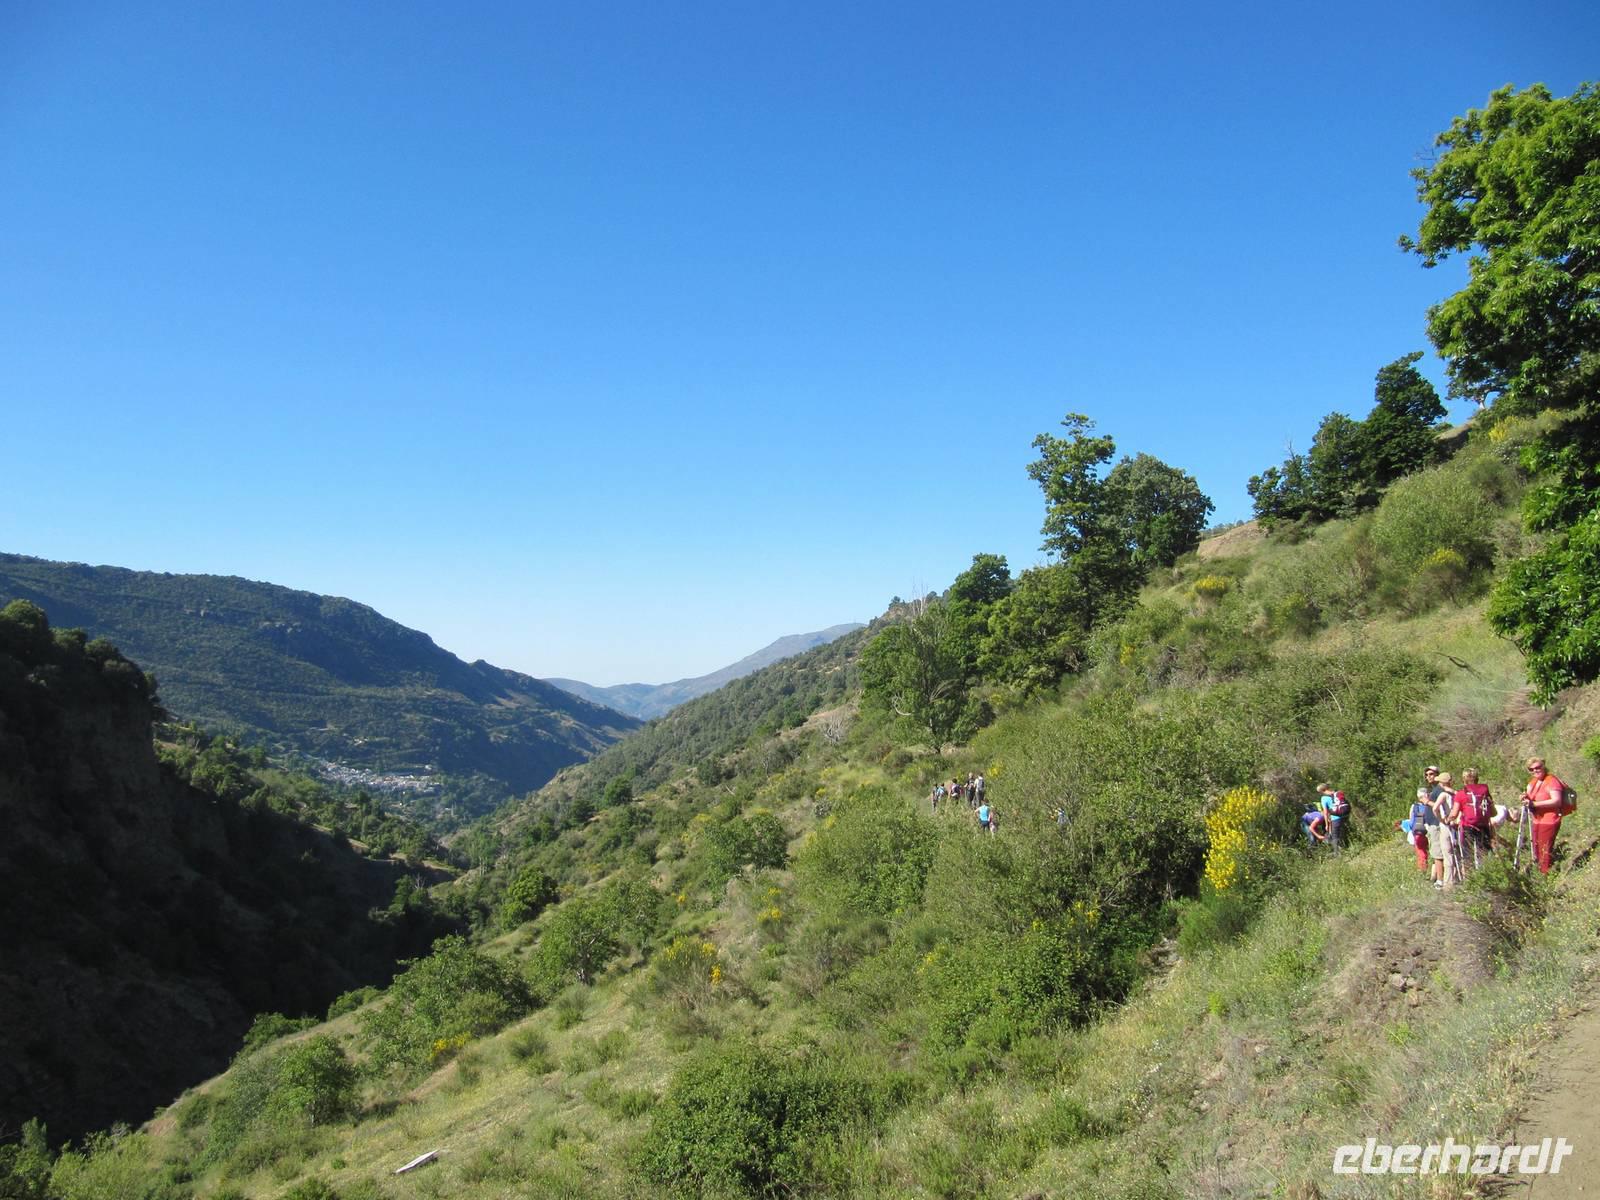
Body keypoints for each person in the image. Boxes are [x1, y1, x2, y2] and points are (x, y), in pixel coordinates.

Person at [1522, 758, 1570, 874]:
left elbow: (1556, 801)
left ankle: (1545, 876)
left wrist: (1534, 804)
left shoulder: (1552, 781)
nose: (1535, 770)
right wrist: (1524, 798)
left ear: (1543, 766)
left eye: (1538, 767)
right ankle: (1540, 873)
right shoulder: (1533, 782)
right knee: (1537, 849)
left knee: (1544, 850)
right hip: (1537, 819)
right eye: (1531, 769)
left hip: (1549, 819)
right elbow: (1530, 797)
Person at [1454, 768, 1492, 864]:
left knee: (1468, 853)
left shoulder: (1461, 794)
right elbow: (1490, 806)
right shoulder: (1484, 790)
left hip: (1468, 825)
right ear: (1477, 778)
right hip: (1483, 825)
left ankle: (1470, 871)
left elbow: (1454, 813)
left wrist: (1447, 819)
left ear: (1464, 779)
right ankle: (1486, 870)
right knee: (1483, 853)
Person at [1433, 771, 1462, 888]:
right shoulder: (1457, 793)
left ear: (1441, 783)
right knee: (1459, 853)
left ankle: (1448, 883)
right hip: (1457, 825)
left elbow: (1435, 808)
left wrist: (1441, 819)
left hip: (1446, 825)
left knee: (1448, 854)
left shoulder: (1443, 795)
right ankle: (1460, 879)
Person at [1404, 788, 1431, 872]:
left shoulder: (1414, 806)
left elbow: (1411, 821)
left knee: (1421, 852)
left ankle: (1423, 869)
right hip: (1430, 829)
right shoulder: (1431, 804)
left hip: (1418, 832)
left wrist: (1412, 830)